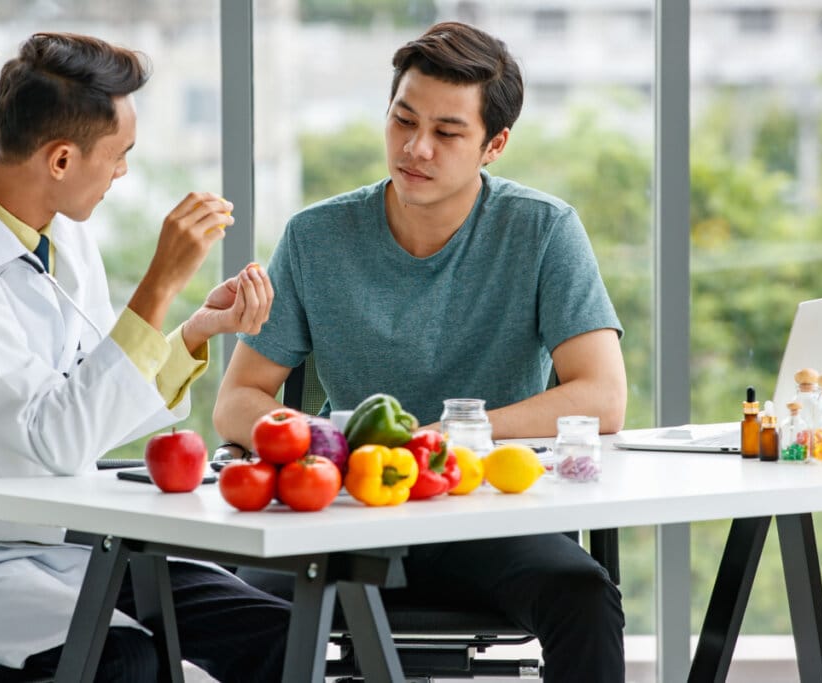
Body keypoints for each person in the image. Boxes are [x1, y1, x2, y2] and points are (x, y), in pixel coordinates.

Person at [213, 21, 627, 682]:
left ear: (495, 144)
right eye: (402, 120)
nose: (416, 148)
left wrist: (450, 434)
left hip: (488, 515)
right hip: (344, 515)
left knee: (583, 593)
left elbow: (602, 398)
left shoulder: (544, 230)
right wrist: (327, 441)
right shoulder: (317, 236)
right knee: (229, 605)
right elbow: (237, 400)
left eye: (447, 132)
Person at [0, 33, 288, 682]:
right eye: (120, 154)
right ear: (63, 159)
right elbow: (57, 436)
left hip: (76, 547)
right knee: (129, 662)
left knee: (275, 634)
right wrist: (158, 285)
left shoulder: (65, 238)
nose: (124, 172)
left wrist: (188, 335)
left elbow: (92, 409)